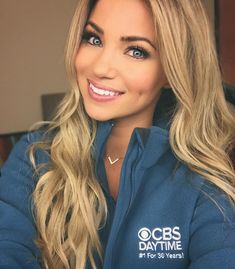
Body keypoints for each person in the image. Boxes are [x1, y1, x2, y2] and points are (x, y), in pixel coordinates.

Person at [0, 0, 235, 268]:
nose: (101, 68)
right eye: (94, 39)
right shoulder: (34, 158)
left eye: (136, 51)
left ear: (172, 71)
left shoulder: (203, 186)